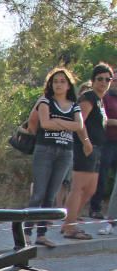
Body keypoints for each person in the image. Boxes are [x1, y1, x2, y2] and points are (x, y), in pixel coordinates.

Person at [26, 67, 82, 247]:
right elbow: (45, 123)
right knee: (38, 194)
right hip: (45, 150)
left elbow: (79, 126)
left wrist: (57, 122)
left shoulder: (74, 105)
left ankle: (41, 234)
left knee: (51, 196)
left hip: (65, 152)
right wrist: (66, 124)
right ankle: (26, 232)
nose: (58, 85)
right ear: (51, 84)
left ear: (68, 85)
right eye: (55, 81)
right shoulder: (45, 101)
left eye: (62, 81)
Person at [61, 64, 112, 240]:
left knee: (90, 190)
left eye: (107, 79)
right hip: (85, 148)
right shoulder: (88, 97)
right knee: (78, 188)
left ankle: (69, 221)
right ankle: (69, 227)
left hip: (98, 148)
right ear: (93, 80)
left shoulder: (100, 100)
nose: (104, 82)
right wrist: (86, 141)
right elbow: (79, 121)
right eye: (100, 79)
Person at [89, 66, 117, 225]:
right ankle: (95, 208)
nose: (110, 82)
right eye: (113, 80)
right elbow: (104, 120)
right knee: (102, 175)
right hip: (106, 142)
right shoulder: (103, 98)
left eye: (109, 79)